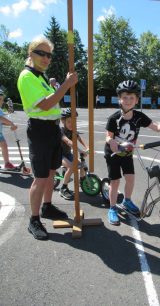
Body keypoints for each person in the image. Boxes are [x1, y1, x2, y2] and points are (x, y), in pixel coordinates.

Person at [17, 35, 78, 240]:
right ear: (31, 53)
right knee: (41, 177)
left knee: (51, 173)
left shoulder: (41, 76)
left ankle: (47, 207)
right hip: (40, 130)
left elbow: (52, 102)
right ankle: (34, 220)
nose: (46, 57)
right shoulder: (27, 76)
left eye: (48, 54)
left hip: (52, 129)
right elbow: (44, 105)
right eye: (41, 53)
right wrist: (67, 85)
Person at [104, 80, 160, 226]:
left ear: (137, 100)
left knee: (130, 178)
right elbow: (108, 136)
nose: (128, 100)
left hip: (127, 153)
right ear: (119, 99)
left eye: (132, 98)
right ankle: (112, 208)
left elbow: (155, 127)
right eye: (125, 97)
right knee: (115, 181)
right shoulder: (114, 118)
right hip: (113, 154)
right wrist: (111, 142)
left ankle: (127, 201)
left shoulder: (139, 117)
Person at [60, 107, 92, 200]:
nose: (72, 124)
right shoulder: (60, 131)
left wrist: (87, 147)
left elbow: (79, 138)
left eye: (73, 121)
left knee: (81, 164)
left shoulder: (72, 130)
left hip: (67, 154)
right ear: (63, 121)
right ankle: (63, 188)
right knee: (71, 167)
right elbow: (68, 142)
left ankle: (82, 181)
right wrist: (80, 151)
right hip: (58, 155)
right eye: (69, 121)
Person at [0, 90, 17, 169]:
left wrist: (12, 124)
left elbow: (2, 122)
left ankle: (7, 163)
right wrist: (10, 123)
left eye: (2, 99)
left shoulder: (0, 110)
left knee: (4, 146)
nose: (1, 102)